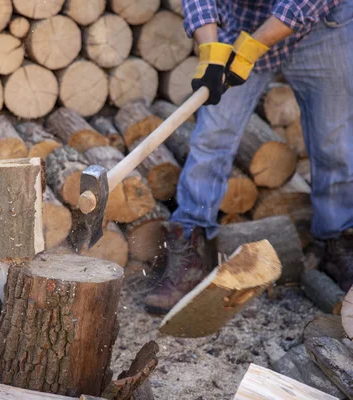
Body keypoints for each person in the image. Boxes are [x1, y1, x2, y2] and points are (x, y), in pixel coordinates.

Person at [144, 0, 353, 313]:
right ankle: (190, 244)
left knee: (332, 142)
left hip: (323, 29)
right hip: (241, 23)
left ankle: (337, 242)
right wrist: (211, 50)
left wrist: (256, 46)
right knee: (212, 137)